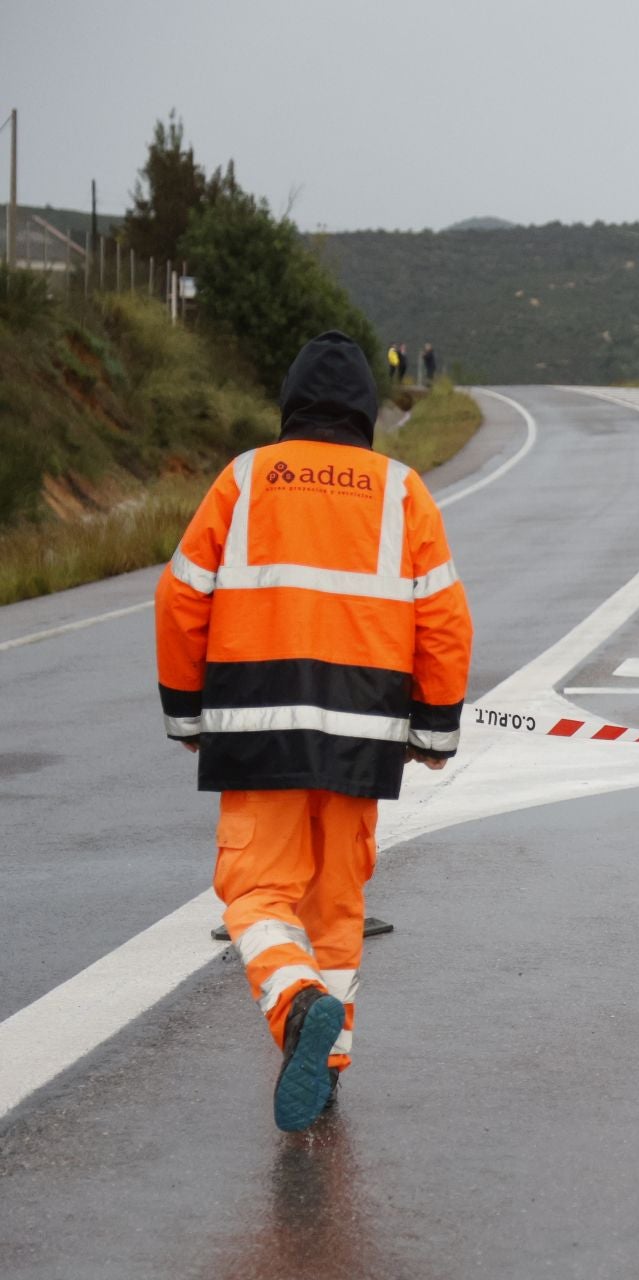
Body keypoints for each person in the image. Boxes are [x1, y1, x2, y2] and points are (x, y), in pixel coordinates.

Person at [154, 331, 473, 1132]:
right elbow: (444, 619)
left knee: (257, 893)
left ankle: (297, 1008)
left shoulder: (247, 478)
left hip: (257, 728)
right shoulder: (402, 491)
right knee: (335, 909)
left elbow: (181, 596)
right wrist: (433, 730)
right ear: (367, 412)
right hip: (363, 738)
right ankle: (326, 1072)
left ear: (289, 406)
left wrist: (185, 714)